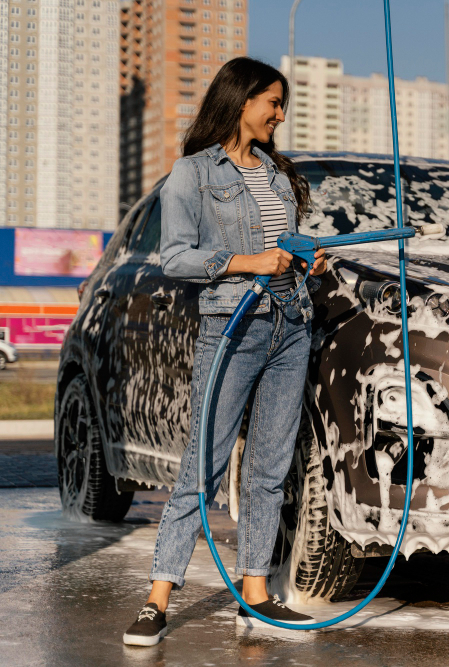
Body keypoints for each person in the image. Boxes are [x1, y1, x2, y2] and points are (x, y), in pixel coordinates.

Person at [123, 57, 326, 647]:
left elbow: (279, 245)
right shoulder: (191, 173)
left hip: (291, 324)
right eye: (273, 102)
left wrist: (297, 255)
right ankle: (158, 599)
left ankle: (255, 595)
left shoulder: (277, 173)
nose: (280, 114)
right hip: (232, 326)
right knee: (202, 469)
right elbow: (176, 258)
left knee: (268, 469)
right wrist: (248, 262)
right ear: (241, 100)